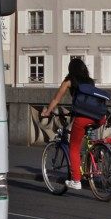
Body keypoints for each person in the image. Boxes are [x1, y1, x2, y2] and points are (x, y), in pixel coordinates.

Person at [40, 58, 98, 191]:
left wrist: (48, 112)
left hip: (82, 116)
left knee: (74, 147)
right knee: (90, 137)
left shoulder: (69, 81)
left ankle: (76, 180)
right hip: (97, 116)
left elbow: (56, 99)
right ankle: (98, 154)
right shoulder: (90, 82)